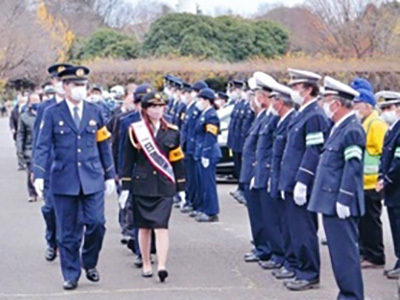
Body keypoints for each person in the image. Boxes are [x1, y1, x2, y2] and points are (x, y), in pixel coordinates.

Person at [33, 66, 116, 290]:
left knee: (97, 223)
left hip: (92, 177)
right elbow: (42, 145)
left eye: (83, 85)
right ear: (66, 86)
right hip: (64, 179)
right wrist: (39, 174)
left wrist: (110, 174)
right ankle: (71, 273)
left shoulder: (95, 111)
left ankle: (89, 262)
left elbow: (104, 145)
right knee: (68, 231)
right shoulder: (52, 113)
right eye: (76, 85)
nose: (80, 89)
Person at [309, 76, 365, 300]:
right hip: (331, 201)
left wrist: (344, 198)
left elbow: (353, 168)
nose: (324, 104)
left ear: (338, 103)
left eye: (327, 100)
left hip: (341, 202)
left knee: (346, 255)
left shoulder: (351, 130)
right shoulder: (339, 127)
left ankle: (352, 296)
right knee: (339, 255)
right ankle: (347, 294)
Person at [119, 92, 185, 282]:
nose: (157, 110)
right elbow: (127, 160)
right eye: (153, 107)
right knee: (144, 227)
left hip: (164, 185)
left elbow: (177, 160)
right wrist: (125, 186)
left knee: (161, 226)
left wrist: (181, 186)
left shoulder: (172, 131)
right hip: (142, 184)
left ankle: (162, 265)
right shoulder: (135, 130)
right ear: (145, 109)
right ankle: (147, 262)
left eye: (161, 106)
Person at [279, 68, 330, 291]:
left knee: (304, 229)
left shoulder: (315, 116)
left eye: (296, 87)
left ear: (308, 90)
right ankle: (300, 267)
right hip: (291, 181)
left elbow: (313, 150)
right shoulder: (303, 113)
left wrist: (303, 180)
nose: (293, 92)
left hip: (303, 183)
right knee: (295, 229)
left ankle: (309, 273)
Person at [32, 63, 74, 262]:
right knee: (49, 208)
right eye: (57, 80)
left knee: (70, 210)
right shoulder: (45, 108)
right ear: (53, 82)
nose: (60, 83)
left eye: (64, 80)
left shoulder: (78, 106)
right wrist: (36, 169)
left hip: (70, 168)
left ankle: (66, 243)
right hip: (50, 167)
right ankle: (52, 241)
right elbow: (38, 140)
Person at [351, 79, 387, 269]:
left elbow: (383, 152)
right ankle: (365, 252)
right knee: (363, 222)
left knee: (371, 222)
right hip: (362, 182)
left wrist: (382, 177)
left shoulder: (376, 123)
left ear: (366, 105)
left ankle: (375, 255)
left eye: (357, 104)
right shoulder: (365, 122)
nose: (355, 108)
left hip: (372, 183)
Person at [268, 82, 298, 279]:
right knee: (283, 223)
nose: (271, 103)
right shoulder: (281, 120)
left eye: (273, 99)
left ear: (281, 102)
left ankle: (294, 263)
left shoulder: (293, 120)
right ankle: (287, 260)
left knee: (292, 226)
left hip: (291, 180)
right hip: (280, 177)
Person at [240, 75, 270, 263]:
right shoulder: (260, 117)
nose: (253, 100)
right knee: (255, 214)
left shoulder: (268, 118)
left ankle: (264, 248)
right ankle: (260, 246)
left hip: (258, 172)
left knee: (262, 215)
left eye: (256, 95)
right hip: (251, 172)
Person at [375, 91, 400, 279]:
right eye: (383, 108)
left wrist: (387, 179)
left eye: (389, 108)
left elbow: (398, 161)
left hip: (397, 187)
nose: (385, 112)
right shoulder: (393, 128)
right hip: (393, 189)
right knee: (395, 226)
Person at [193, 88, 222, 222]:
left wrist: (205, 153)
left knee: (208, 183)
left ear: (206, 101)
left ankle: (211, 211)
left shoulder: (211, 115)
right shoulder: (204, 114)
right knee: (202, 183)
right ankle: (205, 208)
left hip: (209, 153)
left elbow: (210, 136)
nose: (197, 102)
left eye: (200, 100)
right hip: (201, 152)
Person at [181, 80, 208, 214]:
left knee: (196, 181)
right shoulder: (191, 108)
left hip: (194, 147)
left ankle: (195, 203)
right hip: (189, 147)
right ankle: (191, 201)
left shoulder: (199, 110)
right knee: (190, 178)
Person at [17, 93, 41, 202]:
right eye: (33, 101)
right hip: (30, 148)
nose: (36, 103)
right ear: (29, 103)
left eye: (37, 100)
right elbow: (20, 134)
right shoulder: (24, 117)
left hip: (42, 147)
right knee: (31, 170)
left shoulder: (45, 114)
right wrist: (20, 150)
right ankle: (32, 193)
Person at [227, 81, 247, 204]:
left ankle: (244, 190)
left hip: (242, 141)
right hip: (236, 141)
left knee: (243, 167)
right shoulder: (238, 104)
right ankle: (240, 188)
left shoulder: (247, 106)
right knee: (238, 166)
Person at [10, 94, 28, 170]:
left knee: (26, 148)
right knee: (19, 147)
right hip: (18, 131)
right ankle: (21, 164)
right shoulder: (15, 109)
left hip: (27, 131)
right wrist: (12, 128)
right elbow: (11, 120)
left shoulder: (27, 109)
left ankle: (27, 162)